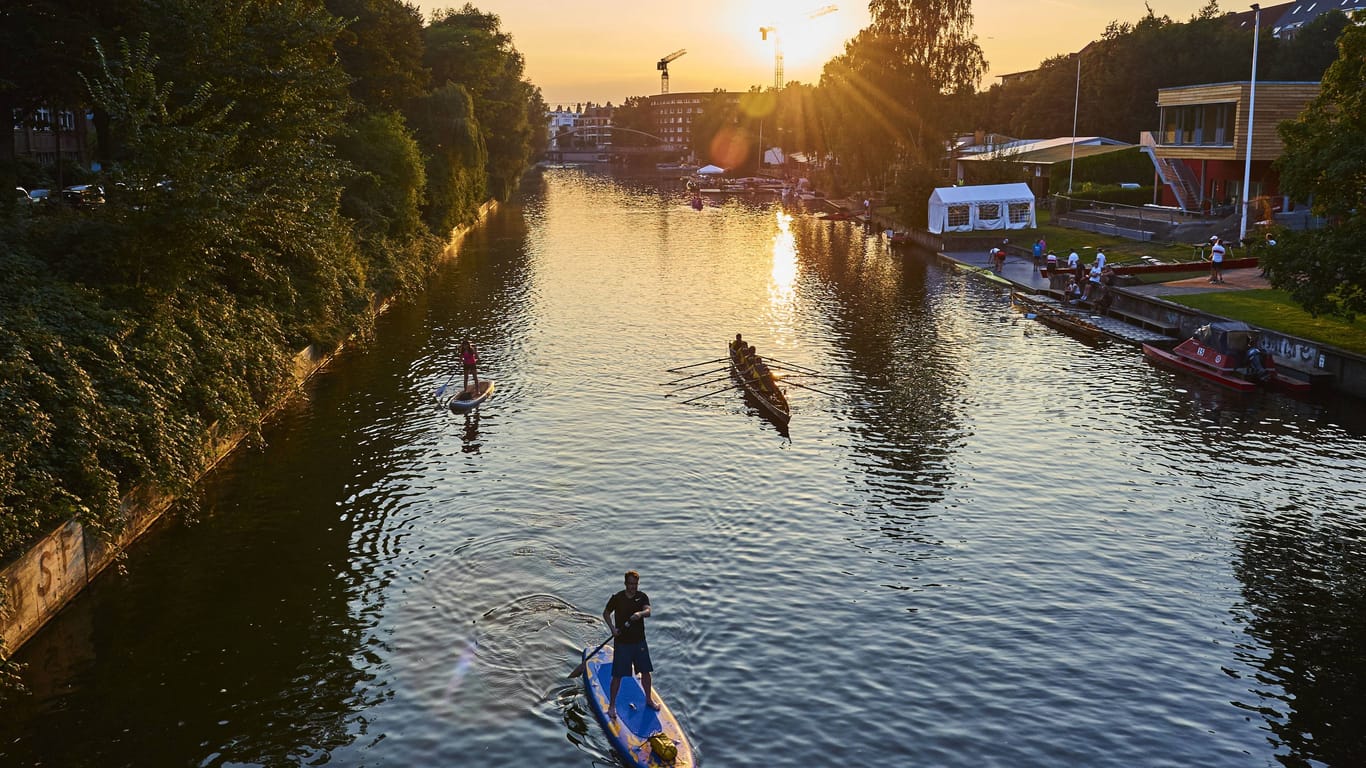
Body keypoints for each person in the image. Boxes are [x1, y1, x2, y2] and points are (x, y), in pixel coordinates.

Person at [603, 570, 656, 720]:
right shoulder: (617, 598)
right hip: (622, 644)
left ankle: (649, 699)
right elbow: (606, 613)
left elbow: (648, 610)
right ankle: (612, 706)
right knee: (617, 676)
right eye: (630, 584)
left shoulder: (642, 597)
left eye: (635, 584)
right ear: (625, 583)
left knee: (646, 672)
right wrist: (612, 629)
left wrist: (640, 614)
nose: (633, 587)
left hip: (639, 642)